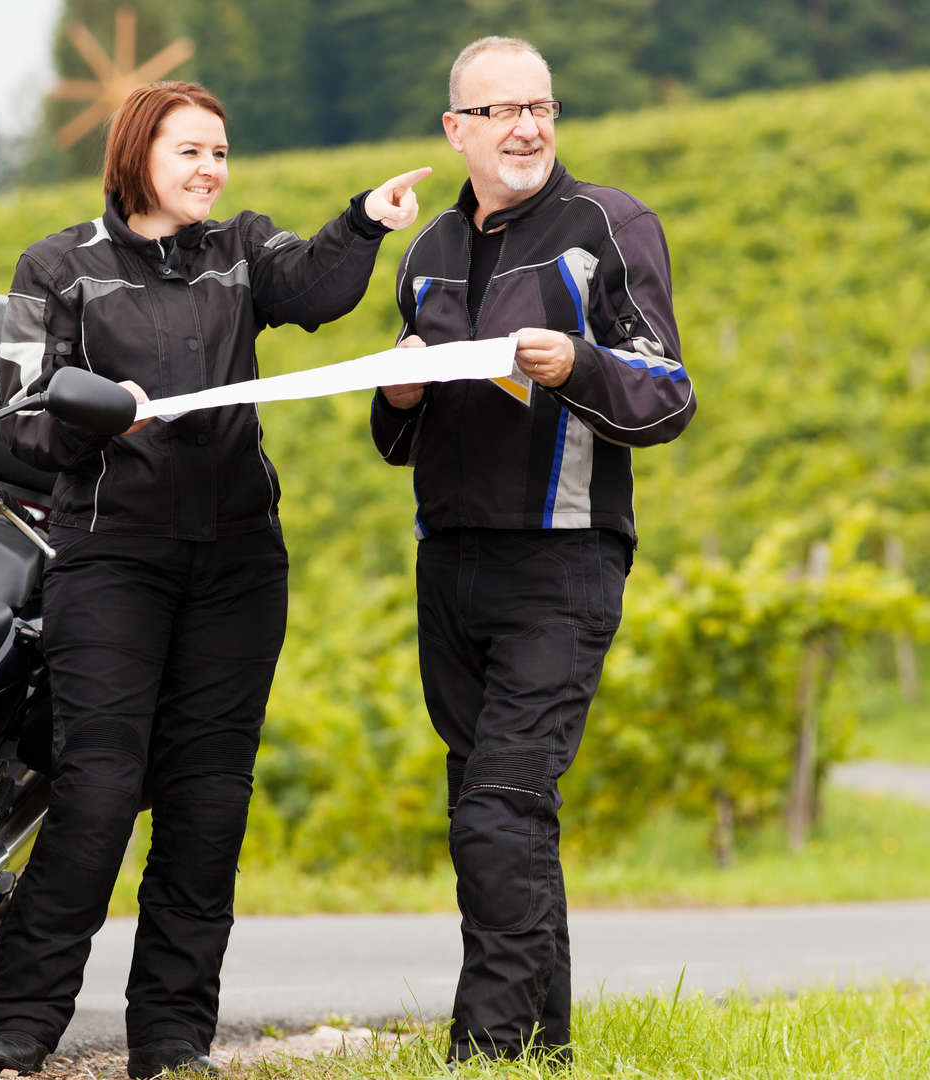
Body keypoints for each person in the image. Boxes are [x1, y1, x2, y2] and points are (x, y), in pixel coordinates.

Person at [0, 81, 429, 1078]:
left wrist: (363, 223)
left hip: (238, 566)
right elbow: (21, 417)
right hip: (110, 560)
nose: (211, 169)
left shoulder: (241, 248)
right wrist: (102, 412)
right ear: (137, 154)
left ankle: (172, 1037)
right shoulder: (57, 267)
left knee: (207, 804)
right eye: (190, 152)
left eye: (220, 152)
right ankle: (16, 1020)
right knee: (96, 794)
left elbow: (313, 290)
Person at [371, 37, 695, 1066]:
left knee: (498, 808)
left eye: (542, 106)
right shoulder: (423, 255)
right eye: (502, 110)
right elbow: (397, 436)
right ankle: (545, 1051)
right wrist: (399, 392)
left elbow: (670, 392)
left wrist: (579, 365)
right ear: (455, 130)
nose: (527, 127)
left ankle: (490, 1048)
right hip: (450, 561)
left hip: (564, 562)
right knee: (498, 811)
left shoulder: (607, 224)